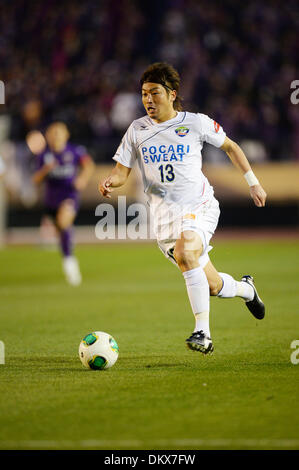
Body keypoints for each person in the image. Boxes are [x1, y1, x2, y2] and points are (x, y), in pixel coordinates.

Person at [99, 62, 267, 354]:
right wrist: (111, 182)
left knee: (186, 250)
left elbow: (231, 147)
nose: (148, 100)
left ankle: (203, 333)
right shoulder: (137, 130)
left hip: (199, 207)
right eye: (144, 94)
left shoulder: (196, 122)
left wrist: (253, 182)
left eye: (154, 93)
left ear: (172, 94)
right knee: (212, 285)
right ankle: (246, 289)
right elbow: (121, 171)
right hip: (164, 221)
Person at [29, 122, 95, 285]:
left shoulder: (74, 151)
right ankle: (68, 253)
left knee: (63, 222)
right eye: (52, 133)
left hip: (69, 196)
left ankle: (70, 264)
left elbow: (88, 165)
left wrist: (82, 179)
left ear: (66, 135)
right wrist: (45, 170)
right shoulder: (43, 155)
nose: (56, 136)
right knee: (61, 232)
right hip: (51, 201)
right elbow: (35, 180)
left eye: (59, 133)